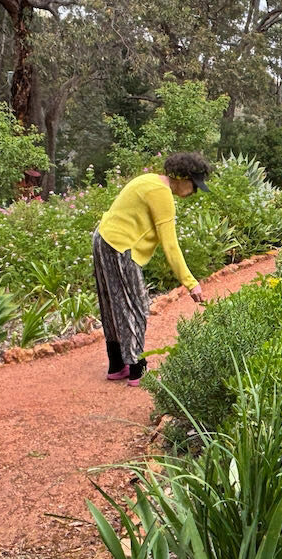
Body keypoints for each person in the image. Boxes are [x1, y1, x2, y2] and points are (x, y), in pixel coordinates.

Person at [92, 152, 209, 387]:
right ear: (182, 177)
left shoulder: (149, 180)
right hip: (120, 247)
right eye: (193, 185)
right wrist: (190, 282)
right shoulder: (161, 194)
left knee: (112, 304)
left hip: (103, 239)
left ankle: (117, 365)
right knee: (136, 306)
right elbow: (170, 244)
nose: (194, 191)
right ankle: (137, 370)